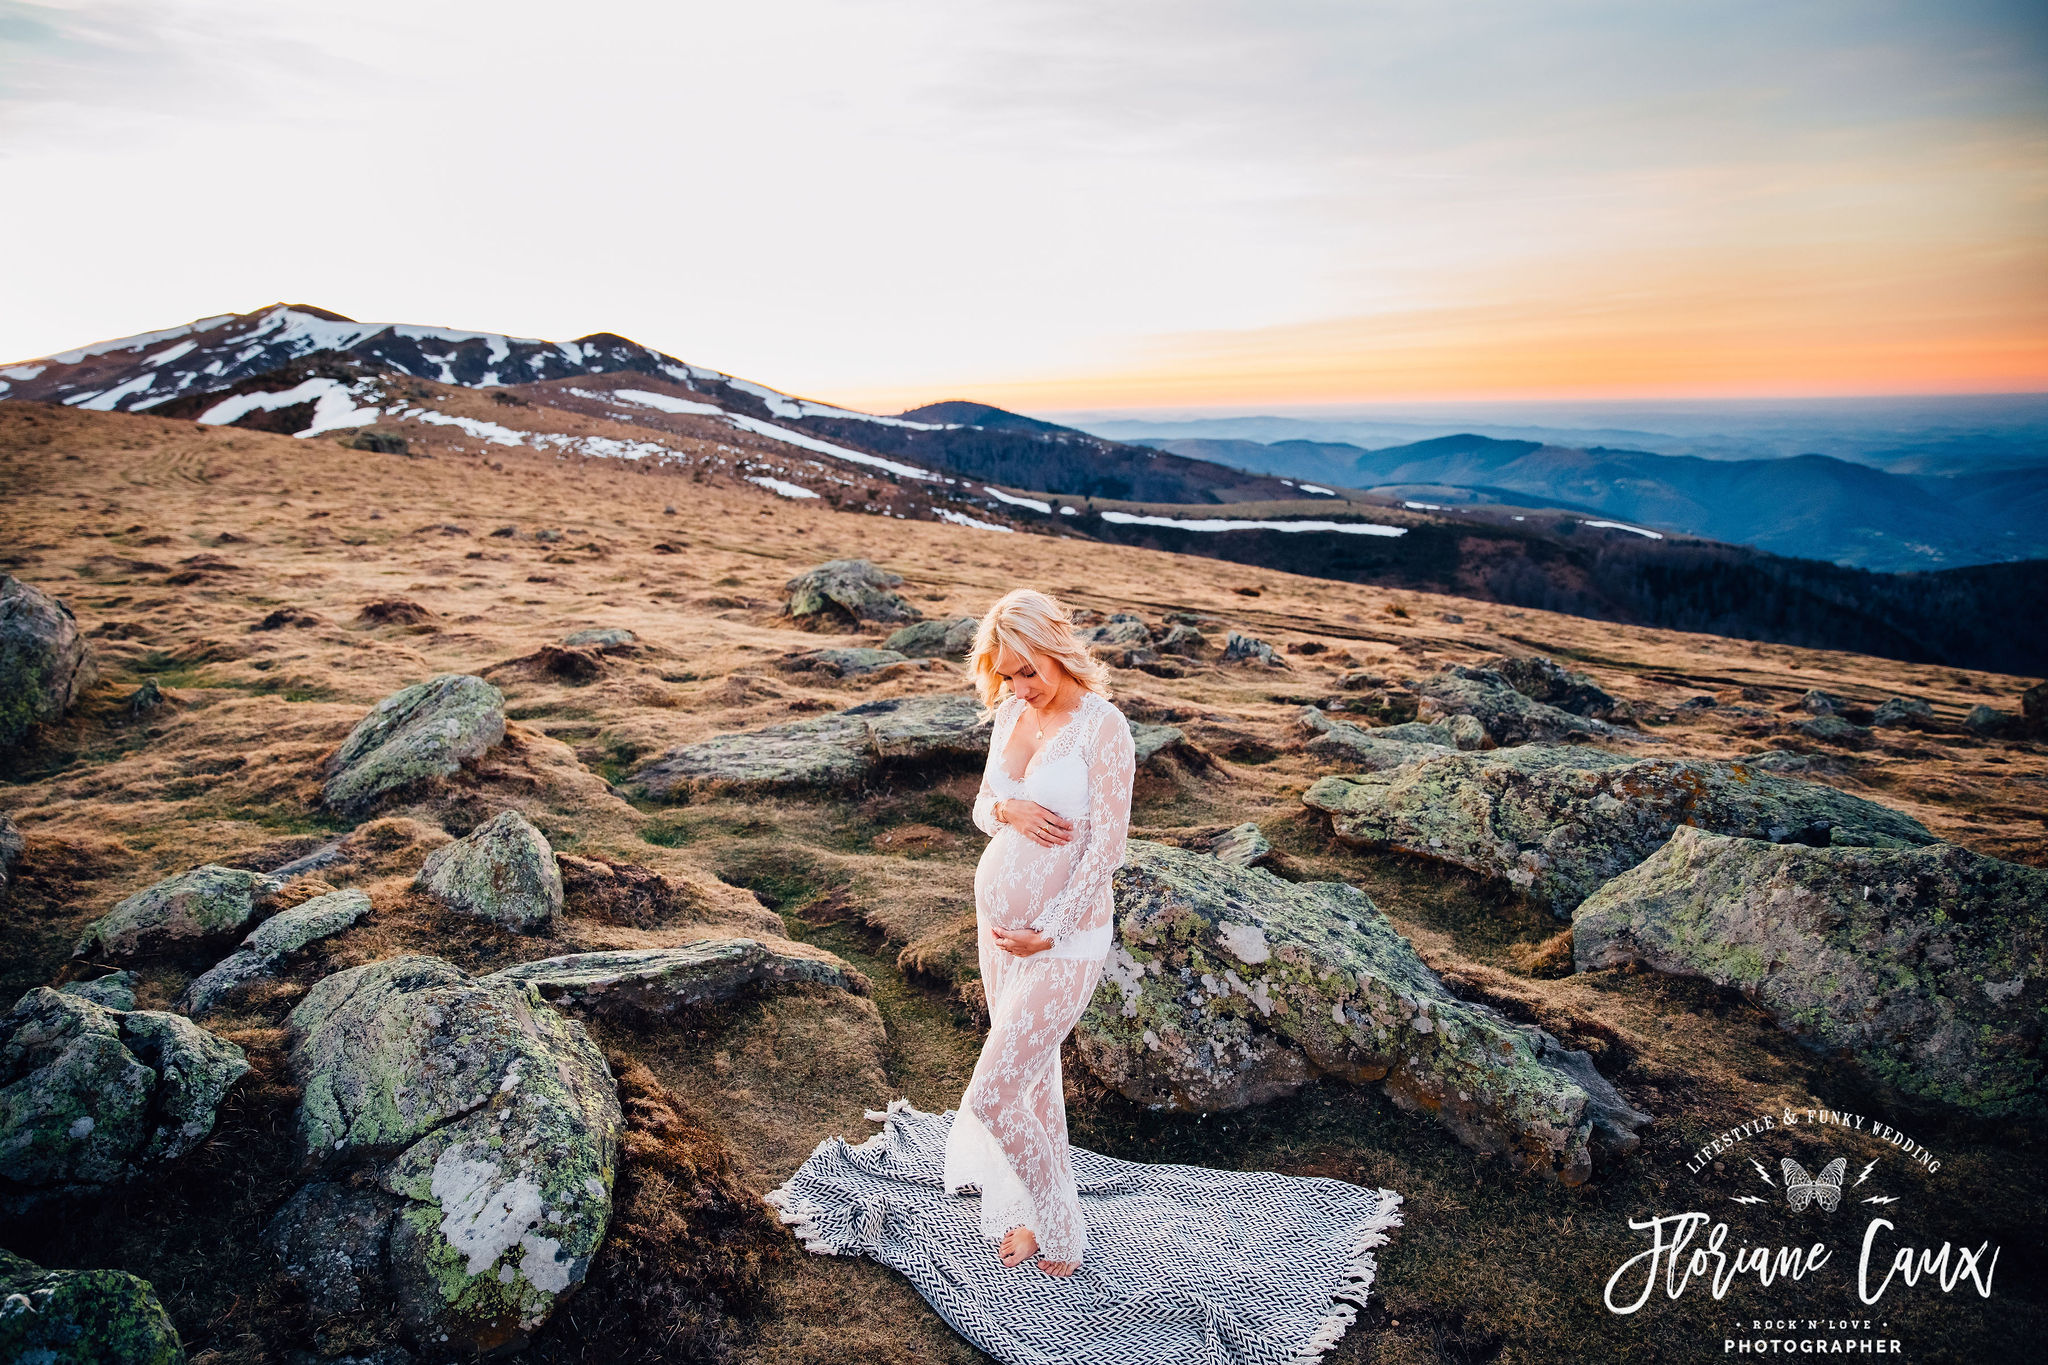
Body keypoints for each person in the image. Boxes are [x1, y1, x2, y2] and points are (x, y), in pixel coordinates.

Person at [941, 587, 1137, 1278]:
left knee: (993, 1093)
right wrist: (1011, 810)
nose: (1020, 684)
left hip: (1067, 941)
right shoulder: (1011, 713)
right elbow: (982, 808)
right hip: (1000, 934)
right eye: (1007, 672)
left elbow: (1105, 850)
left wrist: (1049, 931)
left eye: (1029, 668)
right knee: (1030, 1084)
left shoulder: (1102, 726)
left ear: (1057, 646)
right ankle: (1029, 1215)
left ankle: (1063, 1230)